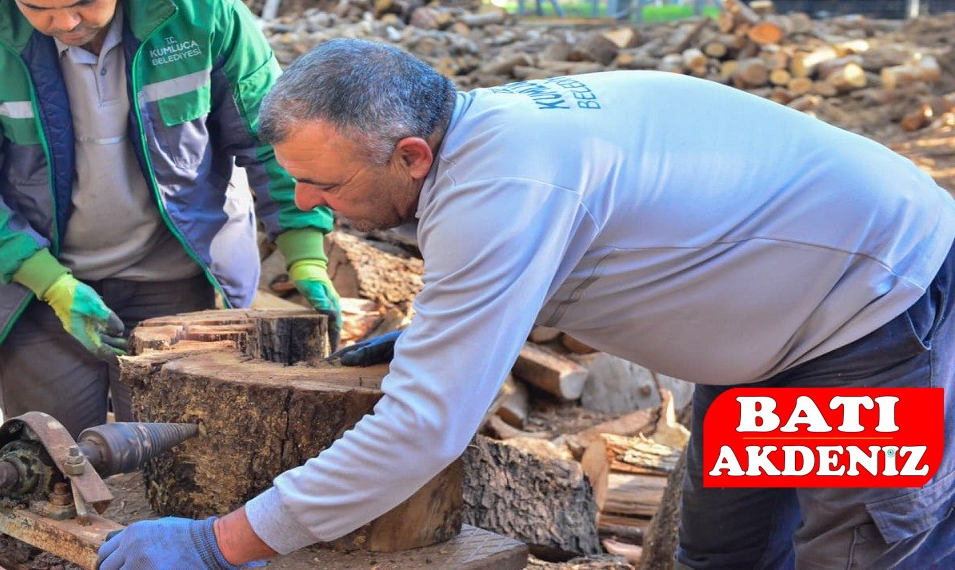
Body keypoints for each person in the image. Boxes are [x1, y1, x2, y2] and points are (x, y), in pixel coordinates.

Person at [95, 38, 955, 570]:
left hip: (873, 307)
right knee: (726, 546)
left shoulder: (501, 187)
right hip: (775, 320)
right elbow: (574, 246)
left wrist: (220, 543)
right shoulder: (487, 143)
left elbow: (424, 429)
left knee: (860, 551)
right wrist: (437, 333)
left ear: (411, 154)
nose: (311, 205)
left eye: (327, 184)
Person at [0, 0, 338, 439]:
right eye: (39, 9)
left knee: (180, 458)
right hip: (37, 294)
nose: (66, 23)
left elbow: (272, 140)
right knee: (54, 459)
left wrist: (306, 255)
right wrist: (53, 286)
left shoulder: (204, 18)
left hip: (177, 282)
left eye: (84, 2)